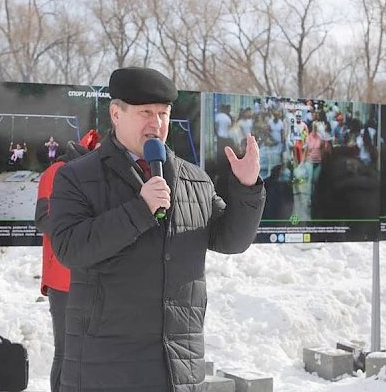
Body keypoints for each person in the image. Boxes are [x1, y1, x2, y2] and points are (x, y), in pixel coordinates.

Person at [46, 67, 265, 392]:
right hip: (106, 366)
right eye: (145, 113)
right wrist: (140, 210)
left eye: (163, 113)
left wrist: (246, 187)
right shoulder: (76, 176)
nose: (156, 123)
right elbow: (69, 248)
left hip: (178, 365)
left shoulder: (194, 179)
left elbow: (230, 240)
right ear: (116, 114)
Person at [34, 129, 100, 392]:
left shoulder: (100, 174)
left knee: (94, 352)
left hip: (96, 275)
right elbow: (43, 219)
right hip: (63, 277)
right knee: (67, 350)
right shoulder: (57, 172)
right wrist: (84, 226)